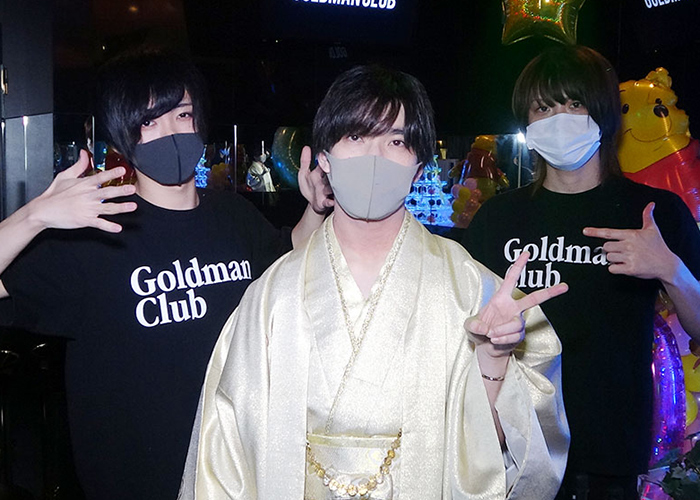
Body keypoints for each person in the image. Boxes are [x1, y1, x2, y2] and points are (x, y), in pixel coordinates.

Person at [180, 65, 570, 499]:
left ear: (420, 167)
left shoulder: (469, 288)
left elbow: (501, 460)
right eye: (355, 137)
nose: (374, 158)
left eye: (396, 142)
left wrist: (494, 358)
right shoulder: (272, 295)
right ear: (324, 159)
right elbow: (226, 453)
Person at [0, 49, 330, 500]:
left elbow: (288, 260)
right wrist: (35, 216)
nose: (171, 132)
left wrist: (315, 208)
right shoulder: (97, 231)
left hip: (233, 475)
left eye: (182, 114)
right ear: (124, 134)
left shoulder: (232, 214)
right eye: (148, 122)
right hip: (136, 482)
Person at [459, 45, 700, 500]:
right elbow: (464, 326)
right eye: (543, 108)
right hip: (512, 446)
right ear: (527, 122)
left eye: (575, 103)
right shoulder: (498, 218)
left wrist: (671, 269)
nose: (559, 118)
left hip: (610, 456)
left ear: (604, 113)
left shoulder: (653, 212)